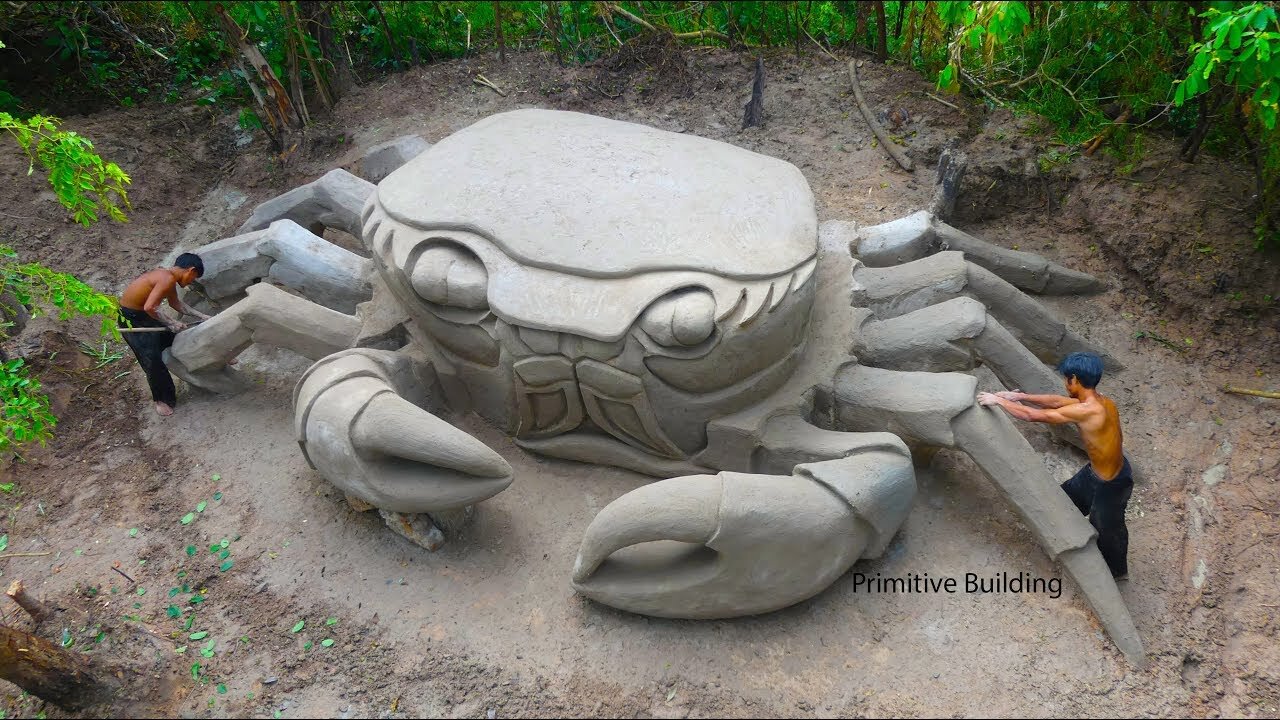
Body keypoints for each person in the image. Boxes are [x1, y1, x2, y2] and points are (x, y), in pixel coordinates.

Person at [976, 352, 1133, 580]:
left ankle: (1118, 572)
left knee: (1108, 529)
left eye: (1066, 378)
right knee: (1065, 498)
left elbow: (1033, 416)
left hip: (1113, 483)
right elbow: (1058, 401)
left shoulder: (1089, 411)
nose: (1065, 383)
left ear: (1075, 380)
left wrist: (999, 401)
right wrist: (1018, 396)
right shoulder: (1099, 401)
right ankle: (1067, 537)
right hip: (1097, 473)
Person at [118, 253, 211, 417]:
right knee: (152, 360)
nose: (191, 282)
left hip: (145, 315)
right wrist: (171, 323)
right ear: (191, 270)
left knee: (175, 338)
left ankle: (208, 362)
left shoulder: (169, 278)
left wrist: (202, 317)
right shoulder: (166, 278)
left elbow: (176, 304)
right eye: (193, 278)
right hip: (131, 320)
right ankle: (161, 400)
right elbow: (150, 307)